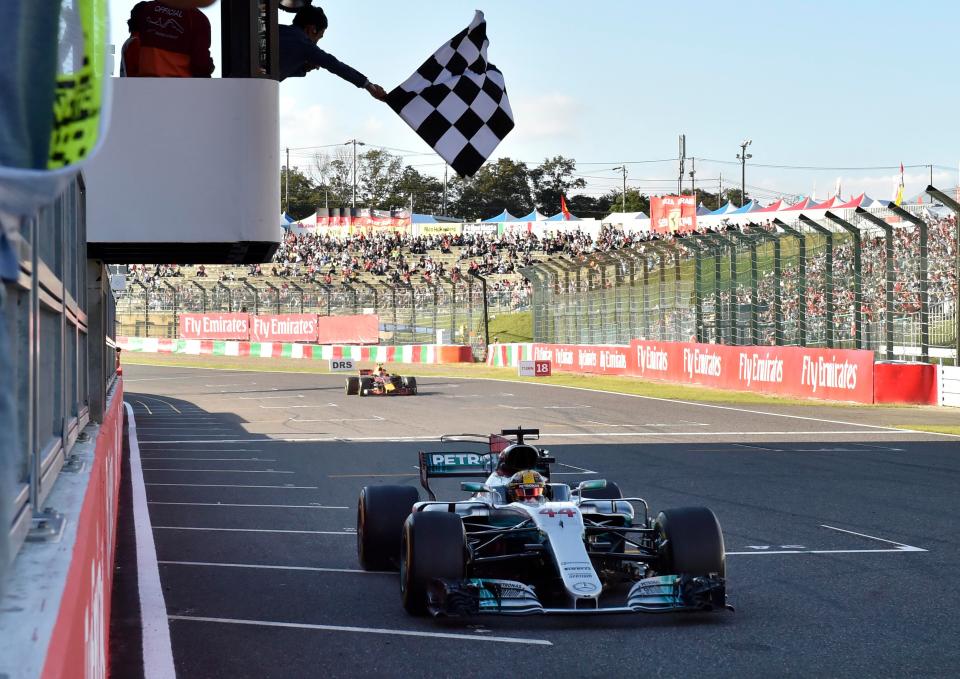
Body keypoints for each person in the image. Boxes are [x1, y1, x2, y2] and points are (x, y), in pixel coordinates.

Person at [278, 5, 387, 100]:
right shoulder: (304, 44)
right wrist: (368, 86)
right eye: (318, 37)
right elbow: (334, 64)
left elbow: (274, 68)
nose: (316, 43)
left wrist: (303, 68)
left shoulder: (277, 30)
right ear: (311, 29)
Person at [127, 1, 215, 77]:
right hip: (180, 88)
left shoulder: (143, 9)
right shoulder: (198, 19)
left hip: (143, 86)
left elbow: (132, 48)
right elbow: (200, 65)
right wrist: (209, 67)